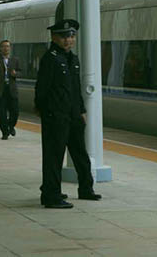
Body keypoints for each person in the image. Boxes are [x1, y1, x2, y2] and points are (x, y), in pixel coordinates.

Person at [35, 18, 101, 209]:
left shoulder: (73, 59)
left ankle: (86, 189)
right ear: (54, 37)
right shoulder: (50, 59)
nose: (68, 40)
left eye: (71, 36)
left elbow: (75, 88)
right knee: (54, 157)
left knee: (80, 153)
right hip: (56, 116)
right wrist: (45, 112)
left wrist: (82, 110)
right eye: (64, 37)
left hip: (73, 116)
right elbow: (42, 89)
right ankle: (51, 195)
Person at [0, 40, 21, 140]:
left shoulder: (15, 59)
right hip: (0, 89)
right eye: (4, 46)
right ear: (0, 48)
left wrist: (16, 74)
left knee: (15, 111)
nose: (6, 48)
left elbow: (20, 72)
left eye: (8, 46)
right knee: (2, 113)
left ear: (10, 48)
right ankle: (5, 132)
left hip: (12, 89)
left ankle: (11, 125)